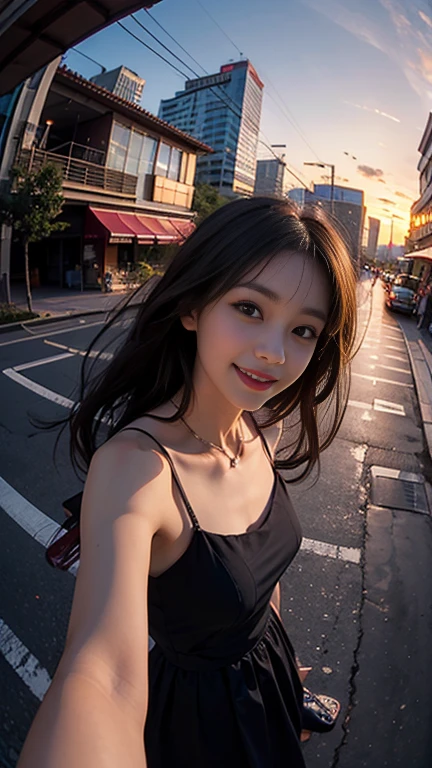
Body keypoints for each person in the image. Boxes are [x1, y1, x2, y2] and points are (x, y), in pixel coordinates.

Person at [18, 197, 357, 768]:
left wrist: (277, 664)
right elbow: (102, 677)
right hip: (203, 726)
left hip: (270, 685)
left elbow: (261, 576)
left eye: (303, 329)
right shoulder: (137, 468)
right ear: (194, 306)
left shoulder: (260, 426)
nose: (274, 353)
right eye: (249, 308)